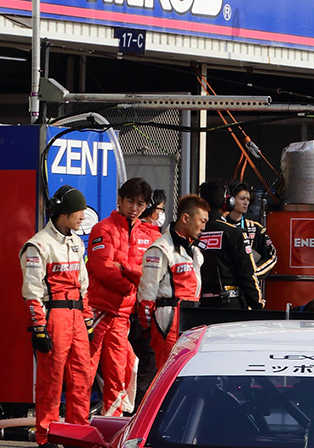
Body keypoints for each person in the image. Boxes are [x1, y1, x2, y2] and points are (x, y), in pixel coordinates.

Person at [22, 187, 93, 448]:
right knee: (51, 381)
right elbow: (32, 291)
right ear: (64, 213)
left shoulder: (76, 242)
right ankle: (47, 440)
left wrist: (87, 319)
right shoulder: (38, 245)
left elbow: (83, 285)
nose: (82, 218)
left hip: (76, 317)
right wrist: (39, 327)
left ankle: (76, 438)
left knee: (82, 379)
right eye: (79, 213)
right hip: (54, 317)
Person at [86, 177, 152, 417]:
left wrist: (124, 266)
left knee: (119, 372)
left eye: (140, 204)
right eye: (130, 201)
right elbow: (103, 268)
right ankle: (77, 427)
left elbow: (151, 272)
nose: (134, 208)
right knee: (85, 370)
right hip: (98, 310)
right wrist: (130, 284)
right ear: (120, 200)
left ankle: (111, 426)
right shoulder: (103, 228)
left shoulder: (148, 234)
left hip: (123, 315)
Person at [137, 194, 207, 395]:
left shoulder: (194, 251)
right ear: (185, 218)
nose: (204, 227)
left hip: (192, 315)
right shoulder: (160, 249)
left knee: (189, 372)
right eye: (201, 221)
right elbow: (146, 294)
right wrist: (147, 327)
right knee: (167, 372)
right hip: (169, 317)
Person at [195, 180, 258, 308]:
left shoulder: (193, 233)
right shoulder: (235, 233)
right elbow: (247, 273)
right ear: (229, 202)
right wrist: (257, 303)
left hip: (199, 304)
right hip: (230, 304)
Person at [224, 181, 278, 306]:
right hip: (225, 290)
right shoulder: (219, 227)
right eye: (242, 198)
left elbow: (272, 256)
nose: (246, 203)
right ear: (230, 200)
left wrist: (252, 272)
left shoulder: (255, 228)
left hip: (248, 292)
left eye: (248, 199)